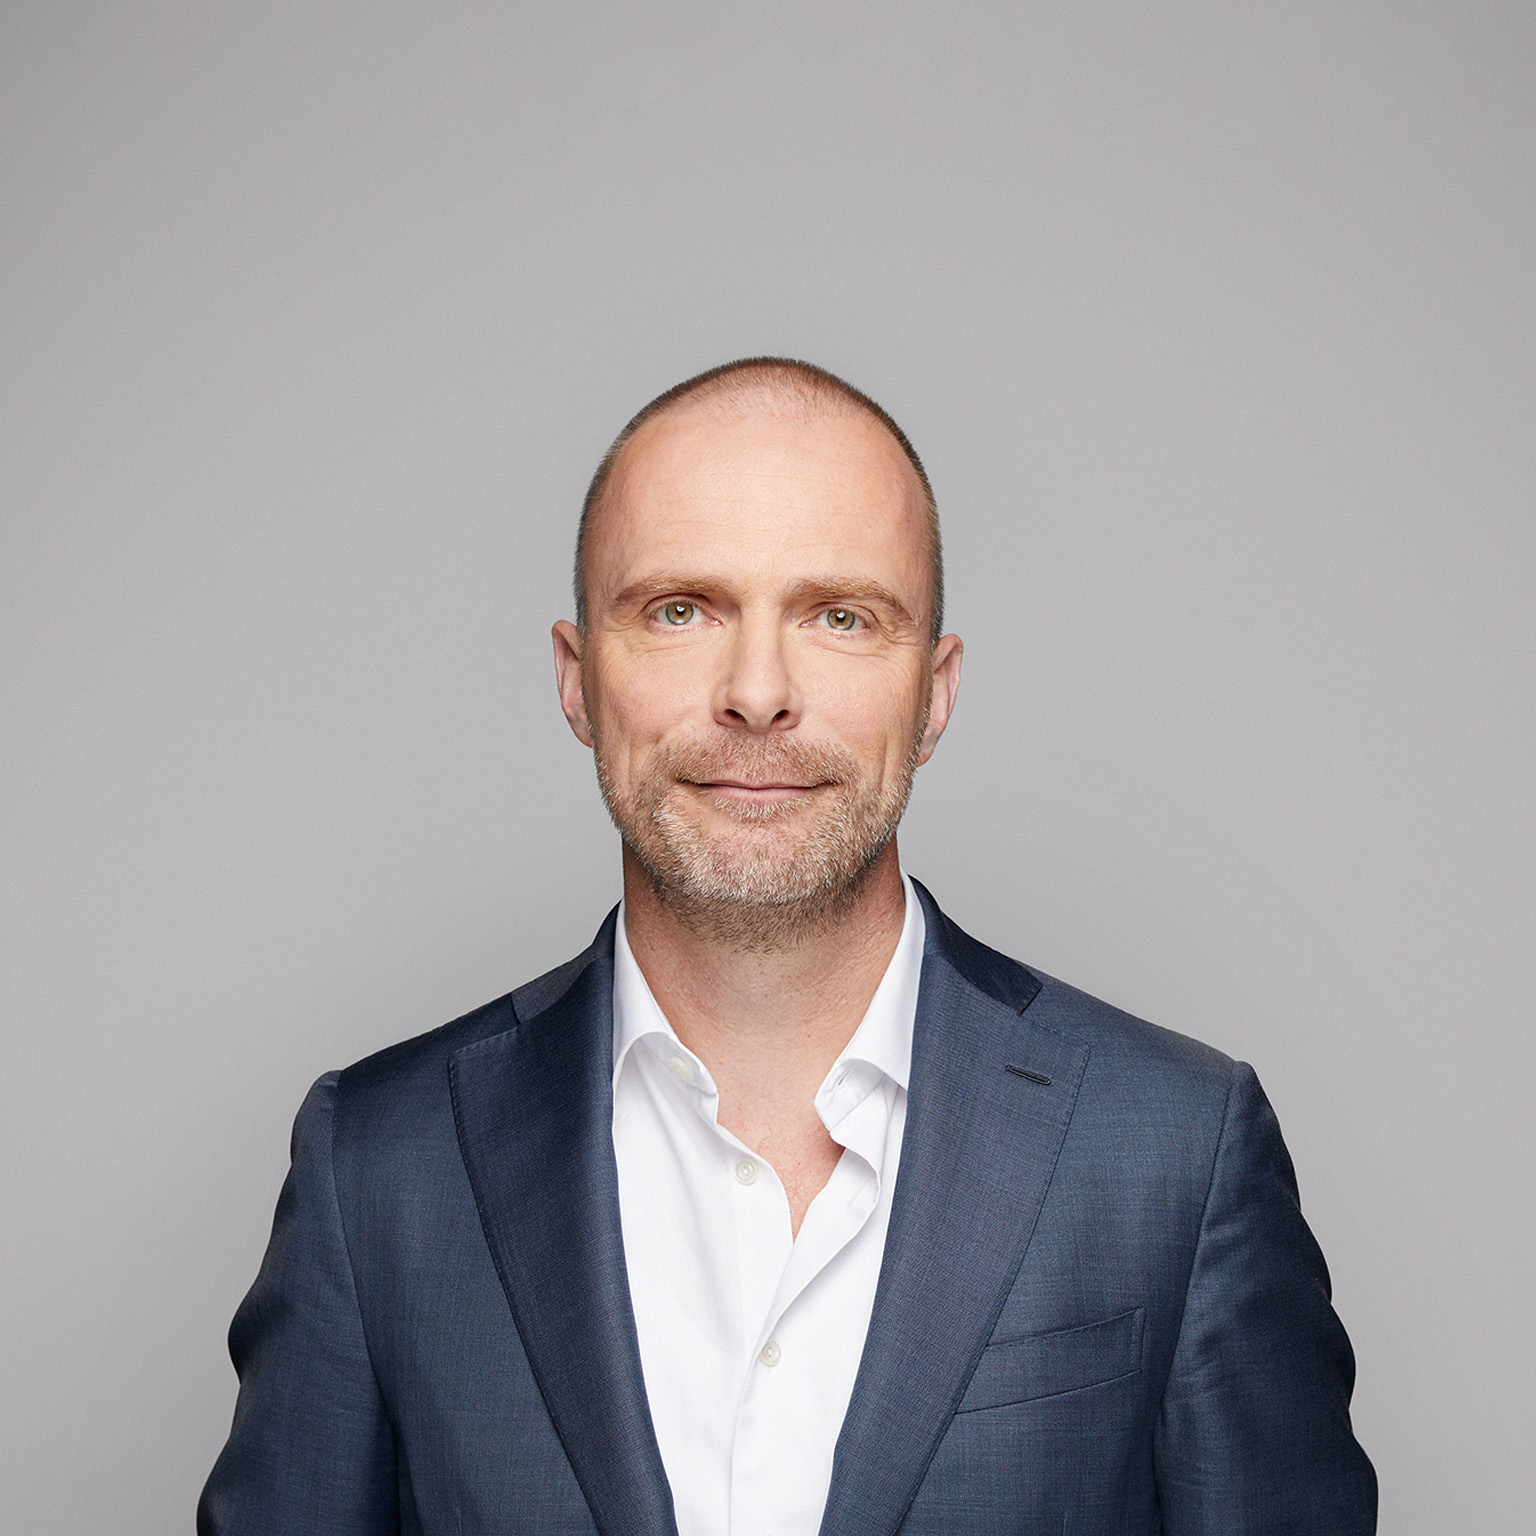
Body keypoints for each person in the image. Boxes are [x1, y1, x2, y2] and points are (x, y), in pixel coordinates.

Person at [199, 357, 1376, 1535]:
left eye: (840, 617)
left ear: (935, 693)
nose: (757, 692)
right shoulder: (380, 1168)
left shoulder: (1174, 1152)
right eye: (680, 610)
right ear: (576, 679)